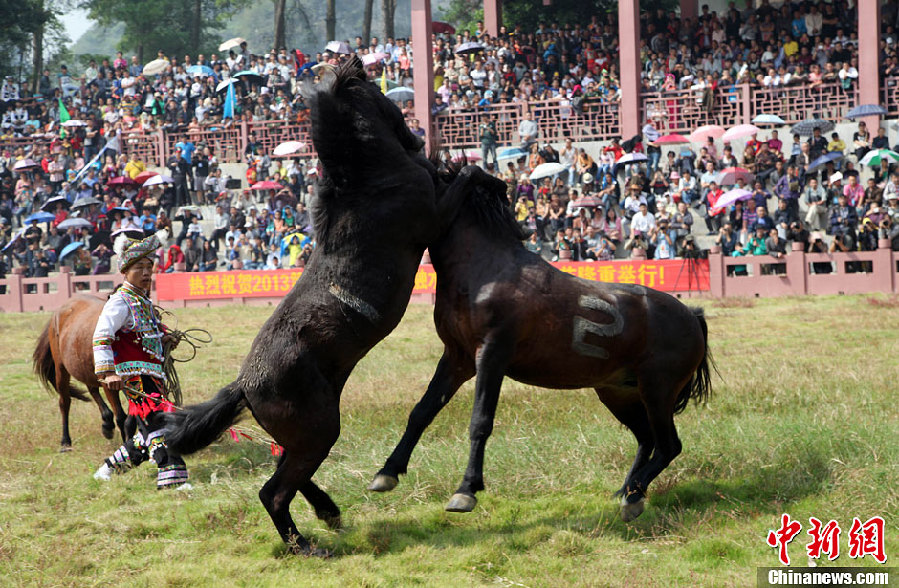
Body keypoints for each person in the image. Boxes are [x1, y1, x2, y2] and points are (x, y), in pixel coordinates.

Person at [92, 231, 190, 489]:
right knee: (160, 423)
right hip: (135, 377)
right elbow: (101, 337)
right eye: (139, 268)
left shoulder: (142, 301)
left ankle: (107, 470)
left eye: (149, 267)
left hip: (152, 375)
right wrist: (108, 373)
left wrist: (166, 338)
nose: (146, 273)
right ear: (125, 271)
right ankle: (173, 481)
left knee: (146, 431)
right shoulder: (120, 302)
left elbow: (148, 332)